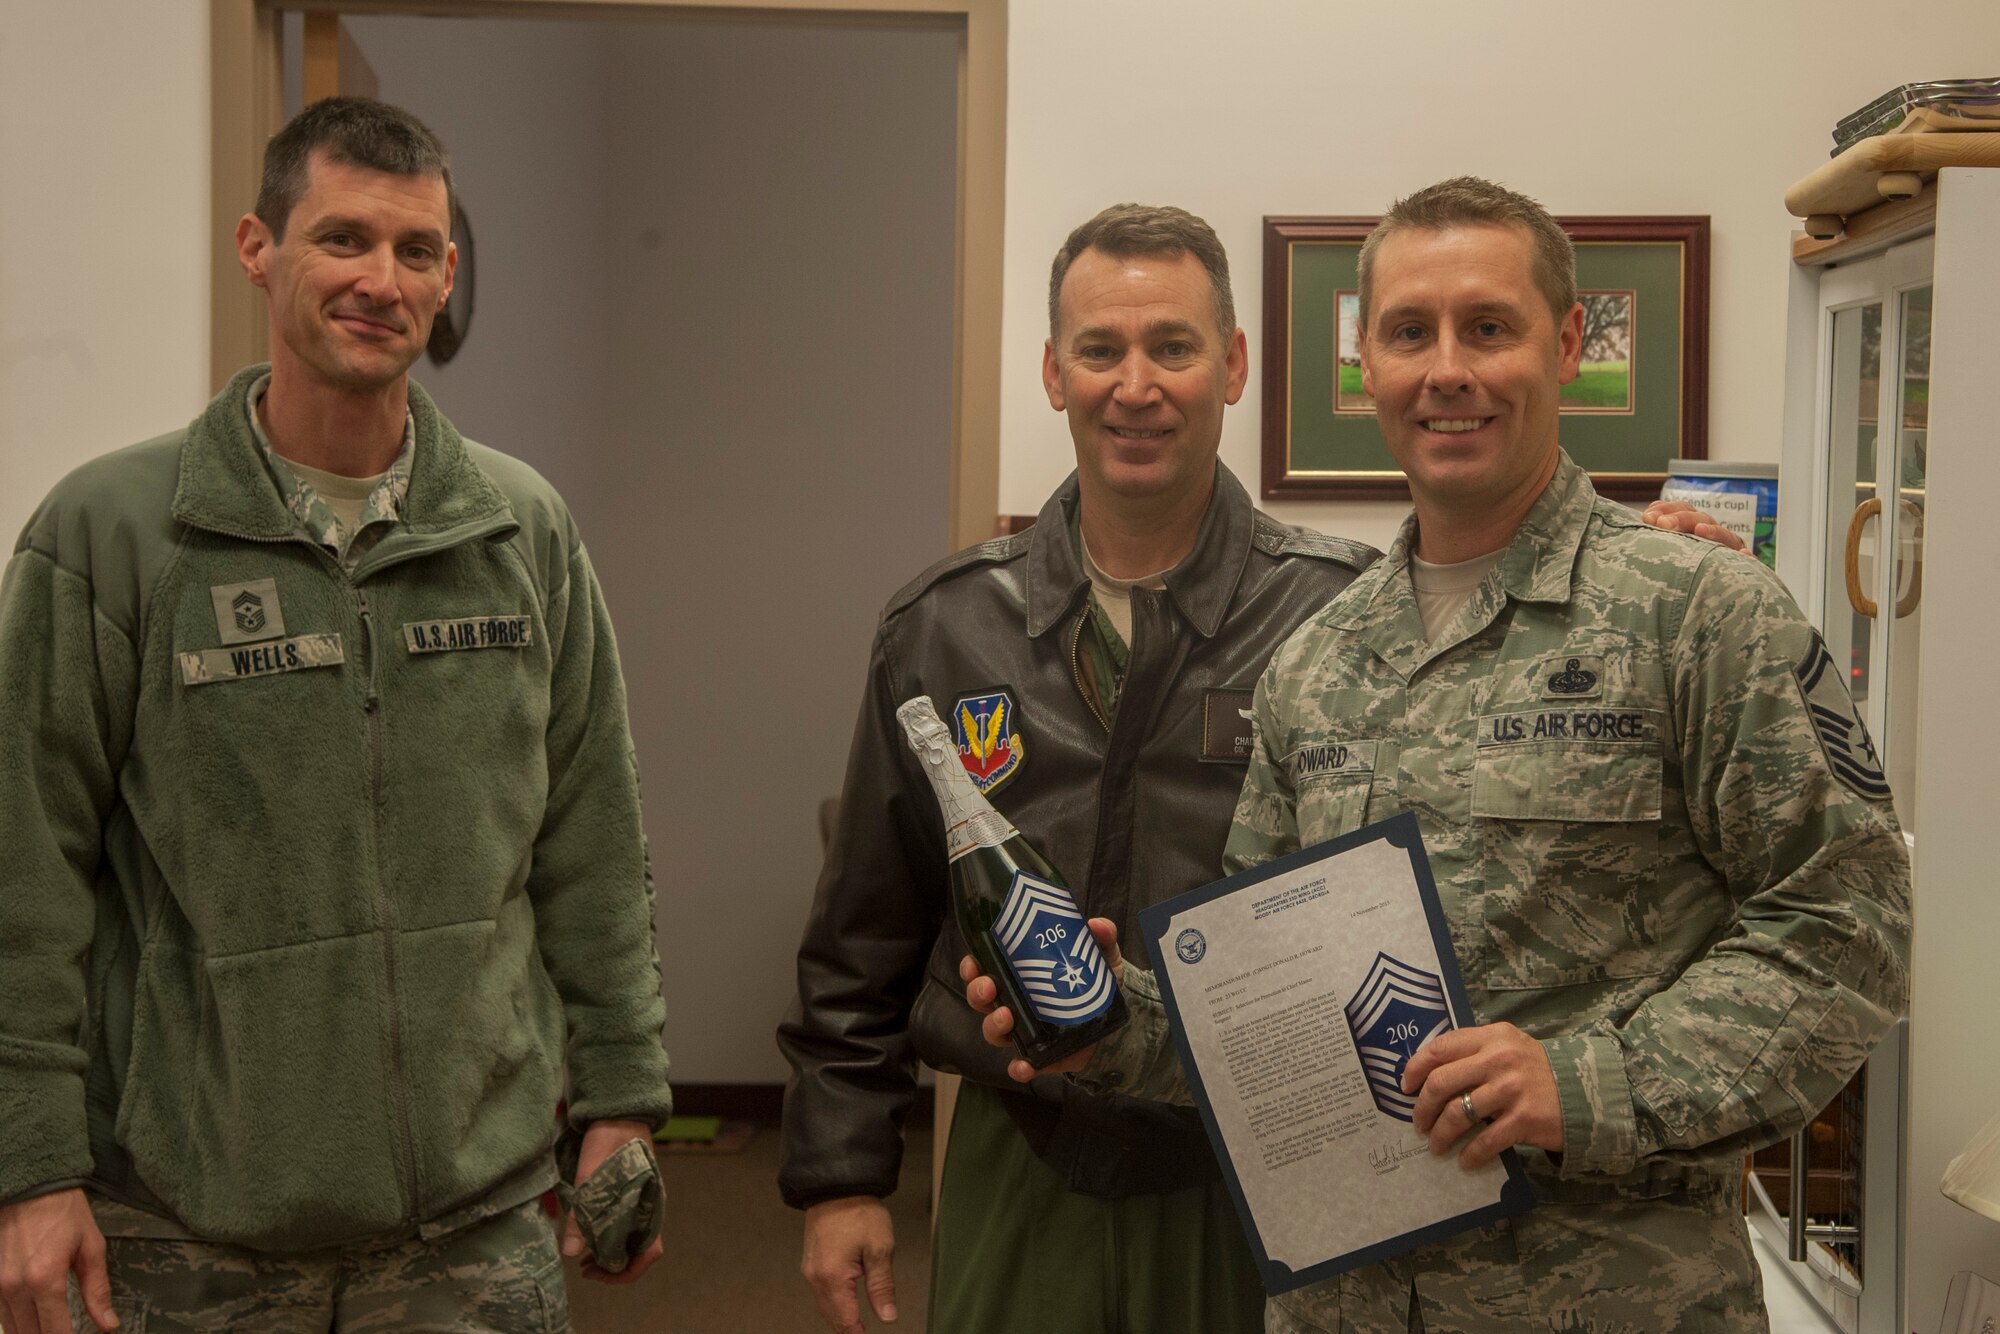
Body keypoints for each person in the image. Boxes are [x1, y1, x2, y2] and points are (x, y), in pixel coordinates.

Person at [776, 199, 1750, 1333]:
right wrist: (841, 1170)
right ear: (1053, 371)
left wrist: (1637, 572)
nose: (1134, 384)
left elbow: (1501, 685)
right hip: (1023, 1143)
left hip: (1271, 1152)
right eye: (1100, 348)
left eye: (1172, 347)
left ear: (1232, 364)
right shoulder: (945, 624)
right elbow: (863, 931)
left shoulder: (1331, 612)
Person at [967, 177, 1910, 1333]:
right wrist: (1106, 1020)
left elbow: (1847, 926)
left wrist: (1583, 1080)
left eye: (1488, 326)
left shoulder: (1697, 613)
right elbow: (1270, 1008)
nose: (1445, 368)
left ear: (1563, 343)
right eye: (1408, 332)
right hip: (1342, 1306)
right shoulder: (1314, 661)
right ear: (1364, 361)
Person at [0, 97, 670, 1334]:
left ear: (448, 275)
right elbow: (22, 877)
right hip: (186, 1237)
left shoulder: (518, 530)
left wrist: (623, 1098)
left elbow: (593, 839)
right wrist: (28, 1168)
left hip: (473, 1236)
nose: (381, 278)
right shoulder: (113, 533)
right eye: (343, 239)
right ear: (258, 247)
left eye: (416, 250)